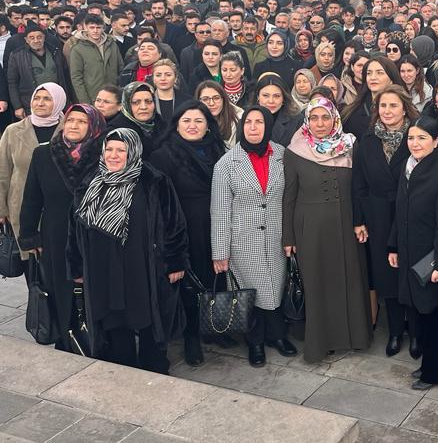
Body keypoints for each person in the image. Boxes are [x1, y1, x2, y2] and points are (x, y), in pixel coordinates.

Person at [69, 128, 190, 373]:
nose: (114, 155)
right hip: (102, 263)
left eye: (121, 150)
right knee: (113, 314)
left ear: (133, 151)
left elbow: (173, 223)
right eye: (109, 149)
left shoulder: (153, 181)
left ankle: (152, 360)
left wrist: (175, 261)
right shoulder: (90, 182)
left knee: (145, 311)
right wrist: (76, 264)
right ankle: (121, 361)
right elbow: (74, 228)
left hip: (141, 263)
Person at [284, 96, 370, 362]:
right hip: (311, 227)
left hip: (346, 223)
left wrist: (360, 220)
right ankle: (322, 342)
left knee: (348, 280)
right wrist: (288, 236)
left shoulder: (351, 146)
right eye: (314, 117)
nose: (320, 123)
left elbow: (360, 188)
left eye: (325, 117)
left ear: (335, 119)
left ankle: (353, 337)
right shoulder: (295, 150)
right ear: (307, 120)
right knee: (318, 283)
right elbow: (289, 196)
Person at [211, 106, 296, 367]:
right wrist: (220, 252)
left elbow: (291, 197)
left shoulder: (282, 155)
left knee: (274, 289)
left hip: (276, 237)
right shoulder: (227, 163)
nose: (254, 127)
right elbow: (220, 211)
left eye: (260, 122)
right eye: (249, 122)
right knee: (249, 293)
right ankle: (255, 342)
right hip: (242, 240)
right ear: (242, 126)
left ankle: (277, 335)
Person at [19, 104, 105, 352]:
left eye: (82, 122)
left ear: (94, 127)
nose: (74, 126)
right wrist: (29, 235)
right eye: (70, 120)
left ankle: (96, 337)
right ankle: (65, 338)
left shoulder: (104, 154)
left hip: (93, 233)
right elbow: (32, 197)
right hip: (55, 233)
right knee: (59, 286)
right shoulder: (44, 154)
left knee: (93, 287)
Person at [149, 101, 225, 367]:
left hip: (215, 224)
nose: (192, 126)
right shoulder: (164, 155)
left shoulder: (218, 150)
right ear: (177, 125)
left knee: (215, 276)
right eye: (186, 121)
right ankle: (191, 336)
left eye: (199, 121)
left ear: (208, 126)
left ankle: (216, 326)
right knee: (189, 283)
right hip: (183, 227)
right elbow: (160, 202)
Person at [388, 116, 438, 390]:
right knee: (419, 312)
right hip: (409, 251)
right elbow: (398, 210)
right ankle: (429, 364)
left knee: (433, 315)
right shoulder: (408, 168)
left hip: (429, 258)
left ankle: (437, 373)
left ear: (436, 141)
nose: (415, 143)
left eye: (422, 138)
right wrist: (393, 245)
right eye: (411, 138)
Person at [353, 84, 419, 354]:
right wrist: (359, 220)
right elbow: (358, 183)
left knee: (412, 276)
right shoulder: (367, 140)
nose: (388, 111)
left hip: (409, 215)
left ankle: (416, 334)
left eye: (393, 105)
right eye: (383, 106)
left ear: (405, 108)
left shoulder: (416, 137)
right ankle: (394, 332)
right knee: (387, 278)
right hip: (378, 216)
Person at [0, 84, 66, 257]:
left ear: (59, 101)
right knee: (32, 266)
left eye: (47, 98)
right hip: (22, 207)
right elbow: (2, 171)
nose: (40, 103)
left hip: (60, 210)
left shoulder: (69, 129)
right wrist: (1, 209)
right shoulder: (14, 131)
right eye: (36, 98)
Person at [106, 81, 163, 155]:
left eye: (148, 101)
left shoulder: (162, 126)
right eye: (136, 102)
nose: (143, 107)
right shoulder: (116, 131)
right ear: (127, 105)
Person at [196, 81, 241, 149]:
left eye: (216, 98)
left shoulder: (239, 119)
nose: (211, 103)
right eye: (205, 99)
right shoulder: (192, 120)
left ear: (223, 99)